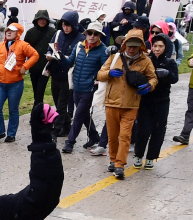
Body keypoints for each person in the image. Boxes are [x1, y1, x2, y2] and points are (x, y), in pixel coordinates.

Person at [97, 29, 157, 179]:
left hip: (131, 105)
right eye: (129, 45)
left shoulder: (145, 61)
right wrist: (109, 73)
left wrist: (149, 86)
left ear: (140, 47)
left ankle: (119, 165)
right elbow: (100, 74)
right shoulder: (114, 57)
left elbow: (153, 78)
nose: (131, 49)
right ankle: (112, 159)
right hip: (112, 103)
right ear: (124, 45)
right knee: (112, 135)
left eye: (135, 46)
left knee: (125, 136)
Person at [133, 33, 180, 169]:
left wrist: (166, 74)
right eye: (155, 46)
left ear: (166, 47)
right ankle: (138, 154)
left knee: (158, 130)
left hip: (162, 101)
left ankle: (151, 157)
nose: (157, 49)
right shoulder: (147, 60)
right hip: (146, 100)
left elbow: (174, 78)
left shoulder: (170, 62)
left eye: (160, 46)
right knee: (143, 129)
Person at [0, 23, 38, 144]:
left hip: (15, 83)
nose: (9, 32)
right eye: (7, 30)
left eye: (12, 31)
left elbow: (35, 55)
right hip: (0, 83)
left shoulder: (23, 45)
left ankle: (11, 134)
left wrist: (25, 67)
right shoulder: (0, 46)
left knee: (13, 109)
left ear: (18, 33)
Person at [62, 24, 108, 154]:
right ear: (86, 33)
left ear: (99, 36)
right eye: (90, 33)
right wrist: (59, 57)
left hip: (89, 88)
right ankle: (93, 135)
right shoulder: (79, 46)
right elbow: (70, 62)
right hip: (77, 86)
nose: (92, 36)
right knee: (84, 114)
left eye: (95, 33)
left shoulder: (102, 50)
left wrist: (97, 80)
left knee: (78, 114)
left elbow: (104, 68)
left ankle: (70, 142)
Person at [46, 11, 82, 136]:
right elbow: (50, 48)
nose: (65, 27)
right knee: (57, 101)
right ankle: (66, 126)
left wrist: (66, 57)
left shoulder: (80, 38)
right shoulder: (58, 34)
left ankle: (57, 128)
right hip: (55, 72)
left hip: (69, 75)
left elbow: (78, 57)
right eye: (63, 24)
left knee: (62, 105)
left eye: (68, 25)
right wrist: (49, 54)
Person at [22, 10, 55, 107]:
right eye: (40, 19)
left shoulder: (53, 32)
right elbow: (25, 48)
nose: (42, 21)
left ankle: (36, 113)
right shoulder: (30, 32)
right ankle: (38, 111)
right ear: (36, 20)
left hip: (46, 66)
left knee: (40, 90)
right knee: (36, 90)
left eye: (44, 19)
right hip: (33, 66)